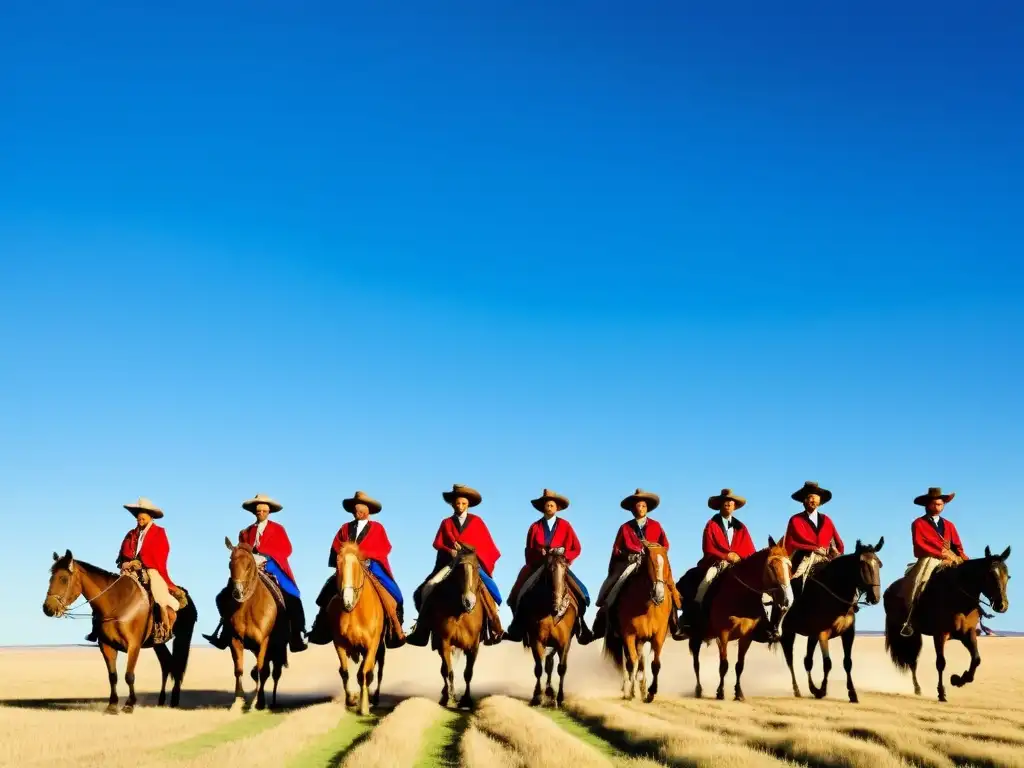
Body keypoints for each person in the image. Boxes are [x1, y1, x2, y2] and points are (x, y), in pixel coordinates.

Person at [202, 494, 308, 653]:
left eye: (264, 509)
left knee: (293, 596)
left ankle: (297, 635)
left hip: (272, 567)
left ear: (269, 511)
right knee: (223, 596)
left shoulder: (278, 529)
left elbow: (287, 549)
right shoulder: (245, 532)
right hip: (249, 570)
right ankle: (224, 631)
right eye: (258, 510)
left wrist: (265, 556)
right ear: (254, 512)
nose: (261, 512)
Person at [405, 484, 505, 647]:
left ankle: (495, 627)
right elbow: (437, 543)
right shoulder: (446, 523)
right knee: (428, 587)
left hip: (471, 564)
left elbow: (486, 544)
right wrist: (449, 550)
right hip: (450, 564)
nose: (460, 506)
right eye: (457, 503)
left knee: (490, 588)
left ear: (468, 505)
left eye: (463, 503)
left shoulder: (477, 522)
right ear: (452, 504)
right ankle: (421, 630)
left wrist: (472, 555)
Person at [306, 490, 407, 647]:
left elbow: (385, 547)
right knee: (327, 590)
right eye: (355, 509)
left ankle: (396, 627)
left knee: (395, 593)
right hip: (349, 567)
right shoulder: (345, 528)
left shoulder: (377, 528)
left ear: (368, 511)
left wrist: (364, 555)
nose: (357, 511)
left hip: (372, 566)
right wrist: (343, 557)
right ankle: (319, 627)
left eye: (360, 509)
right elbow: (336, 545)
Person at [580, 488, 681, 644]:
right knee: (616, 585)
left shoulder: (656, 526)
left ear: (647, 509)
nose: (640, 509)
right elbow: (616, 549)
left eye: (643, 506)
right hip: (631, 563)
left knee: (668, 586)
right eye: (637, 506)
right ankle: (602, 619)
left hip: (653, 563)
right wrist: (628, 555)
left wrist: (654, 552)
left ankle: (675, 623)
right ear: (632, 510)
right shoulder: (625, 528)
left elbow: (665, 545)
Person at [88, 497, 182, 644]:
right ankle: (97, 627)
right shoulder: (131, 534)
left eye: (143, 513)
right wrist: (125, 563)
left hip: (150, 570)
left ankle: (163, 628)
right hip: (129, 572)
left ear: (150, 516)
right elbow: (122, 554)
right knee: (107, 591)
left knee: (158, 594)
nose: (139, 516)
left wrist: (142, 562)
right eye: (138, 513)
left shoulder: (159, 532)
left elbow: (162, 552)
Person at [504, 489, 593, 643]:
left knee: (581, 591)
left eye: (552, 505)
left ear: (557, 508)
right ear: (543, 508)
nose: (549, 507)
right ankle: (517, 626)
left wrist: (564, 556)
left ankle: (581, 624)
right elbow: (528, 549)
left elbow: (576, 548)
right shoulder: (535, 527)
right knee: (518, 591)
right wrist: (539, 555)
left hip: (559, 565)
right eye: (547, 505)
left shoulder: (566, 526)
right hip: (538, 565)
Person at [766, 481, 845, 638]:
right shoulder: (795, 520)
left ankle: (846, 610)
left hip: (825, 558)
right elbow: (791, 542)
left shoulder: (827, 520)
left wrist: (837, 552)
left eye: (816, 497)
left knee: (844, 578)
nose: (813, 500)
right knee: (793, 584)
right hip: (804, 558)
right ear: (804, 501)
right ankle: (780, 621)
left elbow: (838, 542)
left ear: (820, 501)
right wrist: (812, 548)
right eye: (810, 497)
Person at [678, 489, 756, 637]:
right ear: (720, 505)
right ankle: (692, 616)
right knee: (706, 582)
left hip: (738, 564)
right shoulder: (711, 524)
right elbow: (708, 547)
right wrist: (726, 556)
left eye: (731, 502)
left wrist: (739, 557)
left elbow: (750, 548)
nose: (728, 504)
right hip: (718, 563)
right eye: (725, 502)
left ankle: (762, 621)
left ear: (734, 506)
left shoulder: (741, 527)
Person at [900, 487, 968, 637]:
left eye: (940, 504)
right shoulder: (918, 523)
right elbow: (919, 544)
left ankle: (974, 618)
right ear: (927, 505)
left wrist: (964, 559)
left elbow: (957, 545)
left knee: (971, 579)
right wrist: (939, 554)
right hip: (929, 558)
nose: (937, 507)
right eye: (934, 504)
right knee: (920, 582)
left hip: (951, 558)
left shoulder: (949, 525)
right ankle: (910, 619)